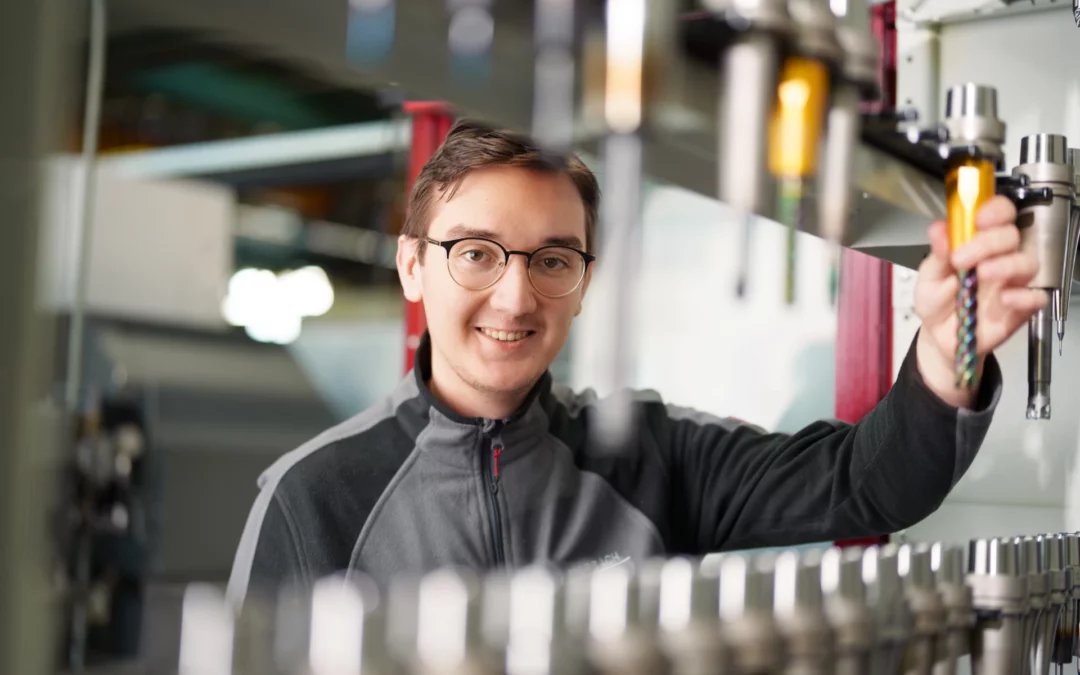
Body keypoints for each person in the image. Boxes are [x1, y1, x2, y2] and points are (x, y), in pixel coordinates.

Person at [227, 119, 1045, 604]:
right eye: (476, 253)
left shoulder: (649, 455)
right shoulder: (312, 500)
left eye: (552, 260)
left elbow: (870, 482)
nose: (515, 299)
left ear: (584, 282)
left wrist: (949, 348)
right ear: (413, 265)